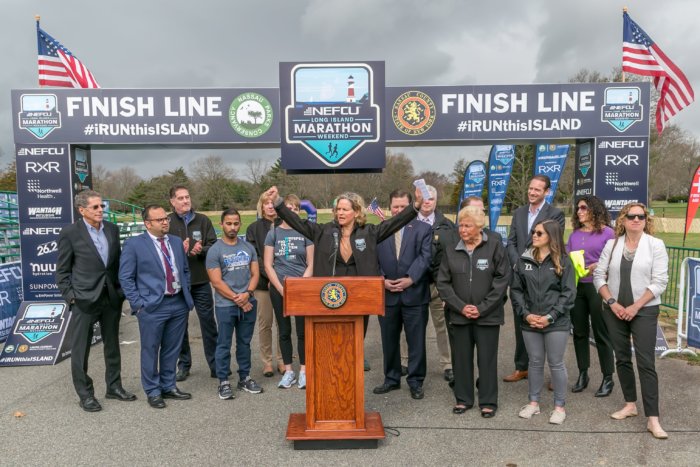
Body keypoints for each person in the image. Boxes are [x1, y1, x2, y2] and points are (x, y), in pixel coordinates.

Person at [263, 185, 424, 347]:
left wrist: (415, 205)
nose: (340, 213)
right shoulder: (324, 232)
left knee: (354, 344)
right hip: (330, 298)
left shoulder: (369, 233)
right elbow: (296, 221)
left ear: (356, 211)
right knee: (331, 343)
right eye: (338, 209)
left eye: (345, 209)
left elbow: (395, 223)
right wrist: (278, 202)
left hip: (359, 298)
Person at [55, 190, 136, 412]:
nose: (101, 210)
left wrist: (120, 292)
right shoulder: (70, 233)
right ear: (82, 210)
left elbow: (116, 264)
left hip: (110, 298)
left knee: (112, 346)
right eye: (96, 207)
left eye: (102, 206)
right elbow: (62, 272)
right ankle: (85, 395)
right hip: (83, 300)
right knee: (81, 350)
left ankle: (114, 387)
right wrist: (71, 298)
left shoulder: (112, 229)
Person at [593, 202, 669, 439]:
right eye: (632, 216)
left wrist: (636, 306)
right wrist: (612, 302)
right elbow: (598, 275)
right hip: (614, 310)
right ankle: (629, 404)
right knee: (622, 358)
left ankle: (653, 419)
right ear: (623, 220)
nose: (637, 220)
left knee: (646, 363)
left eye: (641, 216)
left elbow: (660, 281)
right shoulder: (611, 244)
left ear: (646, 220)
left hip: (644, 310)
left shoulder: (655, 245)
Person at [436, 206, 510, 417]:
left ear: (479, 226)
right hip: (459, 316)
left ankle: (488, 401)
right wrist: (460, 307)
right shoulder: (451, 249)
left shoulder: (494, 246)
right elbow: (443, 283)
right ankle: (463, 399)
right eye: (460, 225)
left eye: (467, 225)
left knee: (487, 360)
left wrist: (482, 307)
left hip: (488, 316)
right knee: (461, 359)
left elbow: (502, 281)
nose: (462, 229)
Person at [119, 205, 194, 409]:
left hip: (178, 303)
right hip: (152, 306)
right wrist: (138, 304)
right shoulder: (135, 245)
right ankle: (152, 390)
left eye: (166, 218)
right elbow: (126, 277)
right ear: (147, 223)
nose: (165, 222)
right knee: (151, 349)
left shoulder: (176, 242)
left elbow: (185, 270)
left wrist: (185, 291)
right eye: (159, 219)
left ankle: (168, 386)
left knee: (172, 348)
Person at [511, 220, 575, 425]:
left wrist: (551, 317)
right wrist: (526, 314)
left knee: (556, 364)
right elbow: (516, 290)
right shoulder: (523, 260)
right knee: (535, 362)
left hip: (556, 322)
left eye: (539, 233)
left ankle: (559, 407)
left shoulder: (564, 261)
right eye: (533, 232)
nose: (534, 235)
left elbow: (568, 293)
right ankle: (533, 403)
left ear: (551, 236)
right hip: (530, 321)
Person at [505, 175, 565, 383]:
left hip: (544, 276)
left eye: (537, 190)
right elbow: (511, 242)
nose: (532, 192)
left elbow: (552, 242)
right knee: (523, 320)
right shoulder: (519, 212)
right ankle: (522, 367)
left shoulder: (555, 214)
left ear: (547, 192)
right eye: (530, 188)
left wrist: (530, 263)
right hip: (520, 276)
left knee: (547, 325)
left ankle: (551, 375)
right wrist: (517, 264)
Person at [374, 190, 432, 400]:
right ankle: (391, 378)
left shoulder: (423, 229)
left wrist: (410, 278)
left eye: (402, 206)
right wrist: (382, 280)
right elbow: (372, 260)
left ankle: (415, 381)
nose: (398, 210)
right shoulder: (381, 230)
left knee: (416, 341)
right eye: (395, 206)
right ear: (390, 207)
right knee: (389, 340)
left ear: (411, 207)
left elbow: (425, 258)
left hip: (414, 295)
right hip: (387, 295)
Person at [207, 208, 263, 400]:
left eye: (236, 223)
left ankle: (244, 378)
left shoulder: (248, 248)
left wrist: (247, 294)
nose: (232, 227)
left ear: (240, 224)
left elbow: (255, 274)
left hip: (248, 302)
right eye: (228, 223)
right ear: (221, 224)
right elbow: (216, 282)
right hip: (226, 305)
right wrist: (238, 299)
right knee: (223, 344)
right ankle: (223, 381)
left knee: (244, 343)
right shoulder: (215, 250)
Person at [400, 185, 454, 382]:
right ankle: (405, 361)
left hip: (437, 284)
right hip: (414, 283)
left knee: (442, 326)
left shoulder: (446, 225)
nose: (427, 202)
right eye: (423, 198)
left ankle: (447, 364)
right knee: (411, 325)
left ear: (436, 201)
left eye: (430, 198)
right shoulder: (407, 222)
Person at [167, 185, 219, 382]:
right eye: (180, 198)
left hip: (201, 281)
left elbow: (213, 245)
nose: (185, 201)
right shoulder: (168, 222)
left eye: (187, 197)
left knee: (208, 323)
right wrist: (179, 250)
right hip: (178, 284)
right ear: (172, 202)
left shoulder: (202, 220)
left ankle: (215, 364)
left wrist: (202, 249)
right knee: (180, 325)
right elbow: (161, 249)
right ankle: (184, 364)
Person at [565, 196, 616, 396]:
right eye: (578, 208)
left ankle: (607, 377)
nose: (579, 211)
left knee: (601, 332)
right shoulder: (574, 235)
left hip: (598, 287)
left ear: (594, 209)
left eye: (583, 207)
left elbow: (614, 260)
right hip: (577, 287)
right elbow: (568, 257)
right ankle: (583, 373)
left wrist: (598, 266)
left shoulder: (608, 233)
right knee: (579, 332)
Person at [263, 195, 314, 390]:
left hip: (301, 289)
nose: (291, 211)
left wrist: (300, 287)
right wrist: (281, 288)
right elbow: (268, 265)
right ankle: (288, 371)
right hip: (280, 289)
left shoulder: (305, 232)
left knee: (302, 331)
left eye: (294, 208)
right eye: (287, 208)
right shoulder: (274, 233)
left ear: (298, 211)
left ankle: (303, 370)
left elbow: (311, 264)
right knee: (284, 331)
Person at [246, 192, 284, 377]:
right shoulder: (253, 228)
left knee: (283, 323)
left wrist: (279, 279)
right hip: (263, 284)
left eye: (273, 203)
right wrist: (270, 277)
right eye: (266, 203)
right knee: (265, 323)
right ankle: (267, 362)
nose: (270, 206)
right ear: (261, 207)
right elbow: (255, 257)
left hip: (285, 284)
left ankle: (283, 360)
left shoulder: (286, 225)